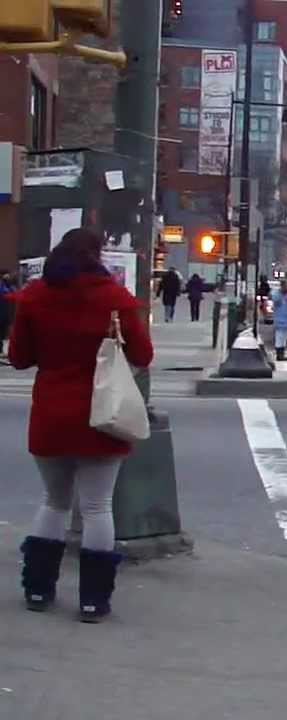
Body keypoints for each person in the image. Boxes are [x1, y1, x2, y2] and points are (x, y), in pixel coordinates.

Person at [8, 228, 154, 623]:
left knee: (53, 501)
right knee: (96, 506)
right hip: (102, 416)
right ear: (96, 255)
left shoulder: (36, 296)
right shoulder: (113, 299)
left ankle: (38, 589)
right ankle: (92, 600)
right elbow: (143, 354)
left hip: (51, 414)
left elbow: (19, 357)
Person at [271, 278, 287, 361]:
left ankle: (282, 354)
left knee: (284, 339)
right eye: (286, 285)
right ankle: (279, 355)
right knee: (279, 338)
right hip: (280, 321)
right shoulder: (277, 294)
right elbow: (275, 299)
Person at [0, 269, 16, 357]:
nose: (8, 276)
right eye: (6, 274)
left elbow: (14, 292)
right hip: (2, 311)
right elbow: (4, 294)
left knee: (4, 331)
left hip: (6, 312)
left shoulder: (9, 285)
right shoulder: (1, 285)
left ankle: (3, 350)